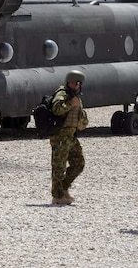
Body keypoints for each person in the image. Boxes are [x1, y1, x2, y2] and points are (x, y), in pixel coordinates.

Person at [49, 70, 89, 205]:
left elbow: (81, 115)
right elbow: (57, 109)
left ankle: (64, 188)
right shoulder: (62, 94)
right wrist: (72, 103)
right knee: (59, 167)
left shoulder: (75, 97)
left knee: (79, 163)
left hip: (71, 136)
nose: (78, 86)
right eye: (77, 83)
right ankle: (57, 196)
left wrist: (83, 123)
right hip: (60, 137)